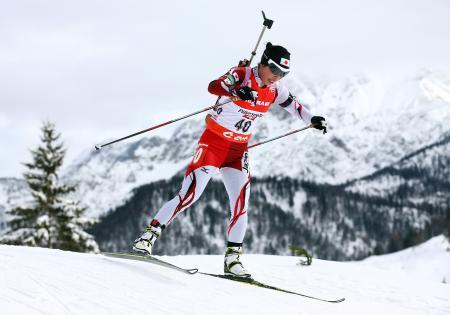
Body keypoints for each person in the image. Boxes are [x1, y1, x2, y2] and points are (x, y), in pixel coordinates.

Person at [133, 42, 327, 278]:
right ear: (264, 63)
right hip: (213, 144)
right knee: (191, 193)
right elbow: (213, 86)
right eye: (275, 70)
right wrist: (236, 91)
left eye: (283, 73)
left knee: (240, 204)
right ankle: (147, 238)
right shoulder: (242, 74)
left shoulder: (275, 90)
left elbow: (295, 107)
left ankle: (232, 259)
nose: (277, 77)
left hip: (238, 151)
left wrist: (312, 118)